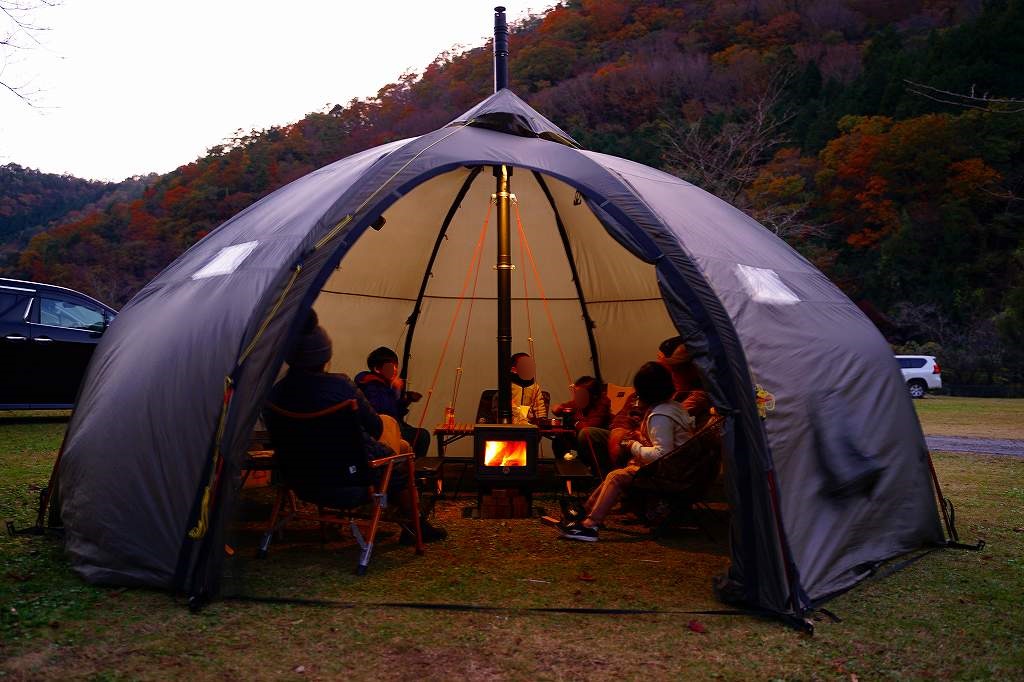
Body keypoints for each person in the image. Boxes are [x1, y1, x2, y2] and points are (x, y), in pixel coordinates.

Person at [268, 314, 445, 542]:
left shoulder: (275, 394)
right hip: (351, 478)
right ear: (324, 358)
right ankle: (415, 526)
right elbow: (375, 427)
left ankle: (408, 522)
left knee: (399, 445)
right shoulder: (340, 387)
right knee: (398, 457)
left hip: (298, 477)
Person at [561, 362, 693, 542]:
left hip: (669, 473)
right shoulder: (674, 407)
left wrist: (632, 445)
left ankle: (590, 525)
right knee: (614, 475)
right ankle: (583, 515)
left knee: (616, 477)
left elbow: (662, 453)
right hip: (677, 468)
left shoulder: (660, 415)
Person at [355, 346, 430, 458]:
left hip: (393, 426)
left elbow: (395, 412)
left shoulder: (386, 385)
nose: (395, 370)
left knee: (420, 434)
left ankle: (410, 470)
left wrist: (406, 399)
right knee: (422, 436)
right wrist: (395, 390)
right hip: (382, 431)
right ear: (377, 369)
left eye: (396, 366)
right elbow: (382, 412)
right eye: (390, 366)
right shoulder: (371, 386)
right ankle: (412, 472)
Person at [551, 376, 611, 459]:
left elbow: (589, 426)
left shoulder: (601, 404)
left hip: (596, 444)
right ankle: (565, 466)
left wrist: (575, 422)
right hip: (579, 439)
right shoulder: (579, 402)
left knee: (584, 433)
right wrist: (557, 408)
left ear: (593, 396)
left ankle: (586, 466)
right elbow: (560, 409)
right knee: (559, 439)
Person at [504, 352, 548, 424]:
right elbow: (512, 408)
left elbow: (540, 408)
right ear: (514, 370)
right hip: (511, 424)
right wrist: (521, 420)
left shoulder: (534, 387)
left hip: (529, 425)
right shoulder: (507, 386)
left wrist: (541, 420)